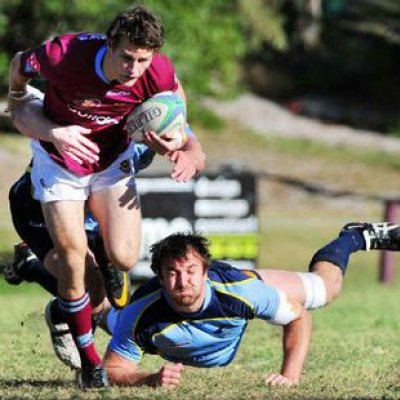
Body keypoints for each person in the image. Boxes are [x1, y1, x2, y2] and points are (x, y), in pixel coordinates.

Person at [7, 5, 205, 388]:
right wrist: (44, 122)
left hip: (112, 162)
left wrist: (179, 141)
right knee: (72, 258)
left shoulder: (157, 72)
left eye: (143, 60)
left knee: (126, 256)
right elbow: (19, 66)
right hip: (60, 161)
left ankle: (103, 252)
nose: (133, 68)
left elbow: (176, 105)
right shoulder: (65, 55)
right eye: (126, 57)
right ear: (109, 45)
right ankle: (90, 363)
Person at [100, 222, 400, 388]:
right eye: (172, 273)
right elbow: (112, 369)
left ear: (205, 272)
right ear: (160, 278)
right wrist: (149, 379)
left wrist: (289, 376)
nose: (183, 281)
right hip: (139, 319)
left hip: (244, 281)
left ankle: (354, 236)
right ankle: (64, 312)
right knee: (104, 315)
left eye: (191, 271)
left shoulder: (242, 292)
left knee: (325, 289)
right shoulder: (141, 313)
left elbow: (298, 317)